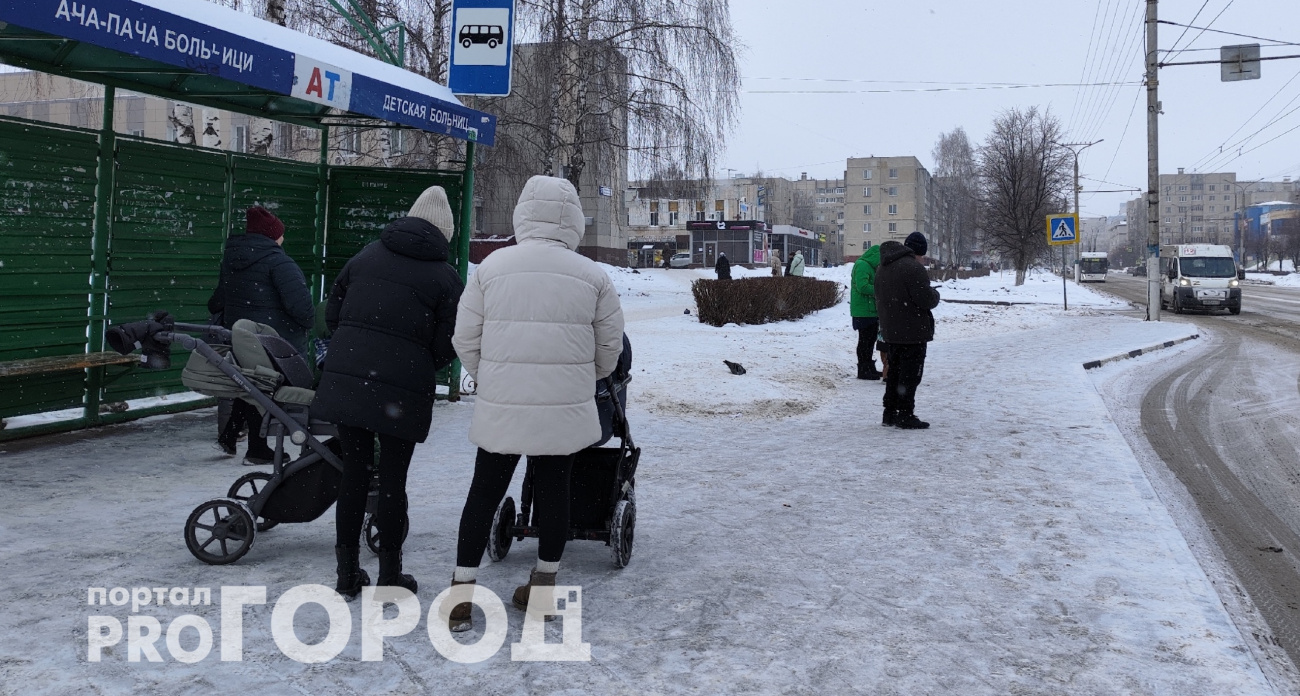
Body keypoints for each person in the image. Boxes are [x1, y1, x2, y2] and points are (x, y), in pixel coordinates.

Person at [448, 175, 624, 631]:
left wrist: (494, 376)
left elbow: (464, 338)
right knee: (554, 491)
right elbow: (609, 350)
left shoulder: (491, 268)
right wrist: (579, 380)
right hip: (563, 406)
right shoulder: (593, 275)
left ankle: (461, 596)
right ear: (573, 221)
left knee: (483, 491)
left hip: (503, 403)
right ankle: (543, 587)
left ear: (522, 213)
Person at [311, 186, 464, 598]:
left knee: (354, 476)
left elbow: (333, 314)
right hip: (402, 392)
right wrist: (416, 364)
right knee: (394, 480)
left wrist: (354, 351)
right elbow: (450, 340)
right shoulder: (445, 277)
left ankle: (346, 573)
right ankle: (390, 575)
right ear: (445, 233)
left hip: (348, 379)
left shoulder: (365, 256)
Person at [208, 206, 314, 465]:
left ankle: (231, 434)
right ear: (272, 236)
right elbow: (302, 309)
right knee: (264, 388)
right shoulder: (279, 262)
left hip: (241, 338)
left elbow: (216, 302)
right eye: (281, 234)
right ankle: (256, 449)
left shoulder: (232, 260)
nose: (283, 239)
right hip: (273, 340)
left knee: (252, 385)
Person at [875, 232, 939, 430]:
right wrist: (935, 293)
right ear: (919, 251)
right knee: (910, 375)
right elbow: (926, 299)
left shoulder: (883, 266)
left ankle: (890, 413)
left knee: (894, 372)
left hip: (892, 329)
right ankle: (905, 414)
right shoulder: (913, 268)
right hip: (912, 332)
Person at [850, 244, 882, 380]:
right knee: (865, 341)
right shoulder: (863, 265)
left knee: (869, 341)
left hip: (869, 310)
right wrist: (879, 290)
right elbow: (862, 286)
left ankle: (868, 366)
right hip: (862, 311)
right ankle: (863, 369)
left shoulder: (870, 266)